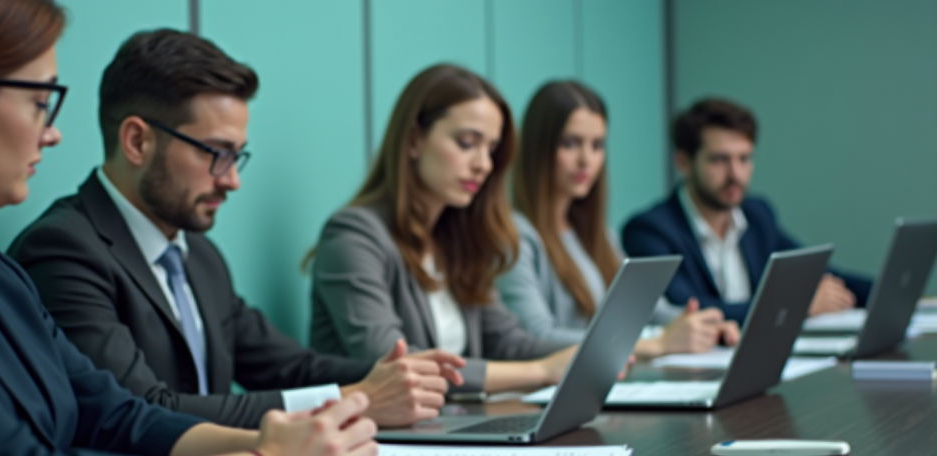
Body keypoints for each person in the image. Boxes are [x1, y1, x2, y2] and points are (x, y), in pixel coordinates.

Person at [0, 0, 381, 456]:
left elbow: (115, 416)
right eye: (40, 103)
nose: (55, 133)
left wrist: (278, 446)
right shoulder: (35, 253)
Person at [8, 29, 463, 429]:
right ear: (137, 141)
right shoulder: (63, 249)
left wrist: (393, 374)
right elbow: (143, 411)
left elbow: (292, 367)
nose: (232, 179)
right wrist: (351, 400)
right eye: (216, 153)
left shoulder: (200, 256)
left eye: (237, 155)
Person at [307, 64, 576, 396]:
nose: (484, 164)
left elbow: (507, 342)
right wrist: (540, 372)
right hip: (377, 439)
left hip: (446, 428)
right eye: (466, 143)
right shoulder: (352, 236)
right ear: (413, 140)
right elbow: (397, 364)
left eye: (491, 149)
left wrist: (582, 355)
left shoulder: (456, 239)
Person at [498, 80, 739, 355]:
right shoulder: (515, 236)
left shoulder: (599, 235)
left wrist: (704, 326)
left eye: (597, 145)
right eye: (570, 143)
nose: (586, 160)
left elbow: (651, 312)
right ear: (538, 149)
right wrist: (655, 345)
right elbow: (536, 337)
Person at [622, 98, 872, 324]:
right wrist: (797, 305)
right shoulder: (649, 231)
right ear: (684, 162)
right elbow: (688, 308)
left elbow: (815, 271)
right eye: (720, 160)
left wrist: (888, 293)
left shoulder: (757, 215)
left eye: (744, 159)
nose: (736, 174)